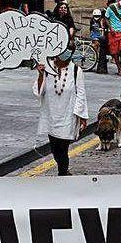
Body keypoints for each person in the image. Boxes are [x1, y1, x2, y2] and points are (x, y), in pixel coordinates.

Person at [34, 48, 88, 176]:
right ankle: (62, 168)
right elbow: (38, 92)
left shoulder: (76, 71)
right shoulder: (47, 69)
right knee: (54, 147)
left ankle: (63, 172)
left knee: (63, 147)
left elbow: (81, 93)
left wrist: (82, 116)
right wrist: (41, 74)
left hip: (68, 115)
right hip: (51, 114)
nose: (61, 62)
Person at [88, 9, 109, 73]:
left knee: (100, 45)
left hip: (100, 34)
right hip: (94, 34)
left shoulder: (101, 20)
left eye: (98, 16)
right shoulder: (92, 20)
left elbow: (103, 28)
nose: (96, 17)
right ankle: (95, 55)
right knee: (96, 43)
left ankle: (97, 55)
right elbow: (91, 28)